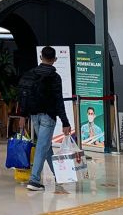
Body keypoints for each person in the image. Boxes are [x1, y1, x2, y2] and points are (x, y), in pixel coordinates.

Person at [18, 45, 72, 192]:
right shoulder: (55, 77)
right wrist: (65, 122)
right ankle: (34, 180)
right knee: (43, 146)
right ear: (54, 59)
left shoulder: (30, 74)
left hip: (34, 115)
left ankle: (58, 175)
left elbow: (23, 95)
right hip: (49, 116)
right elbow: (58, 101)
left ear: (41, 57)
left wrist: (22, 115)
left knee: (45, 146)